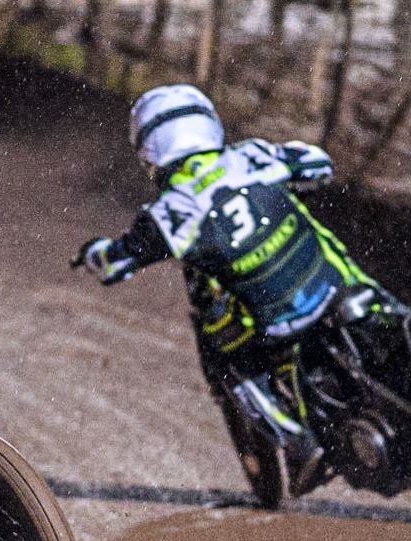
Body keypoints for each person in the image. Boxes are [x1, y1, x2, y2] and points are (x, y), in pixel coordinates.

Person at [74, 84, 379, 494]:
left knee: (229, 349)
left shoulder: (169, 213)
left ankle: (297, 441)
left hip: (279, 319)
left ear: (150, 150)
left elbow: (115, 263)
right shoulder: (252, 155)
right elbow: (318, 163)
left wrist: (92, 254)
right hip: (340, 285)